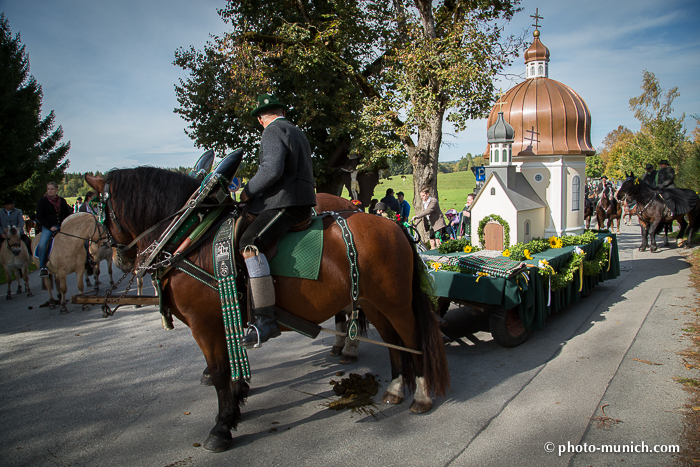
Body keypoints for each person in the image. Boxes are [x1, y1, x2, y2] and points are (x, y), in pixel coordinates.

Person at [238, 93, 316, 347]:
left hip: (288, 202)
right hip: (299, 198)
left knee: (249, 243)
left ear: (261, 119)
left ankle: (265, 319)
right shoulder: (295, 130)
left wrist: (247, 191)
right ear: (281, 110)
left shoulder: (272, 131)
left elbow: (271, 170)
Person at [35, 181, 72, 277]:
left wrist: (65, 224)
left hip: (61, 225)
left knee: (74, 238)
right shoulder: (42, 201)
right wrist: (49, 226)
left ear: (56, 189)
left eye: (52, 189)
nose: (50, 191)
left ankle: (84, 260)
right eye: (48, 189)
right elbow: (39, 216)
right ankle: (42, 266)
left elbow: (66, 214)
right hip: (48, 226)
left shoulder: (62, 201)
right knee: (43, 244)